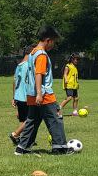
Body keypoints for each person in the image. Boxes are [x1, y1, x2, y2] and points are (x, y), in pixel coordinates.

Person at [15, 26, 72, 155]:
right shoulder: (41, 55)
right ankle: (60, 148)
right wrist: (40, 93)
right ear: (48, 40)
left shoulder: (32, 53)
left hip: (31, 94)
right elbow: (38, 74)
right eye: (54, 42)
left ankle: (22, 148)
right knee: (55, 118)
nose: (53, 45)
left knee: (32, 121)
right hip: (43, 94)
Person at [9, 46, 32, 145]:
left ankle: (24, 139)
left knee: (23, 120)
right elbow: (29, 82)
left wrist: (14, 97)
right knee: (32, 118)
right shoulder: (29, 65)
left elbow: (14, 81)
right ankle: (15, 134)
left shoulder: (19, 65)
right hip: (26, 96)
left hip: (18, 96)